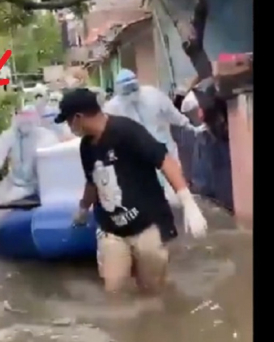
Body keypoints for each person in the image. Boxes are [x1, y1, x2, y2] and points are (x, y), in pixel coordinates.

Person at [54, 88, 208, 294]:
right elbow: (93, 182)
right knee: (115, 292)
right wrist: (83, 210)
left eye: (68, 121)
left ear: (78, 118)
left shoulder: (127, 131)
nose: (69, 127)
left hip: (147, 225)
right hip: (112, 229)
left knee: (154, 290)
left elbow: (165, 162)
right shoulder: (86, 147)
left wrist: (188, 203)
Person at [103, 69, 203, 207]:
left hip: (165, 150)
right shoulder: (112, 108)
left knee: (175, 194)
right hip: (137, 157)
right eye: (127, 90)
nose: (131, 93)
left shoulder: (153, 95)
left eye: (133, 88)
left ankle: (180, 213)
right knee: (146, 198)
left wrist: (190, 127)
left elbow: (172, 114)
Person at [0, 105, 60, 205]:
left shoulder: (45, 136)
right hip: (17, 186)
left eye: (28, 120)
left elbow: (51, 158)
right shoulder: (9, 136)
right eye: (22, 119)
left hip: (42, 186)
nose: (25, 123)